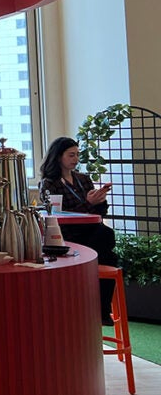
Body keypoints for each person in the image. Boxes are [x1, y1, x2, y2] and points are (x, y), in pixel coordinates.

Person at [38, 135, 118, 325]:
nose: (75, 159)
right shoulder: (49, 183)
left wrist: (99, 200)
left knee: (109, 251)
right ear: (59, 156)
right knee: (106, 245)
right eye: (71, 155)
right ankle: (99, 310)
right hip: (68, 234)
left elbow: (99, 212)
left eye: (77, 155)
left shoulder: (83, 179)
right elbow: (59, 215)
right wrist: (88, 203)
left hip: (91, 230)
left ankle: (102, 309)